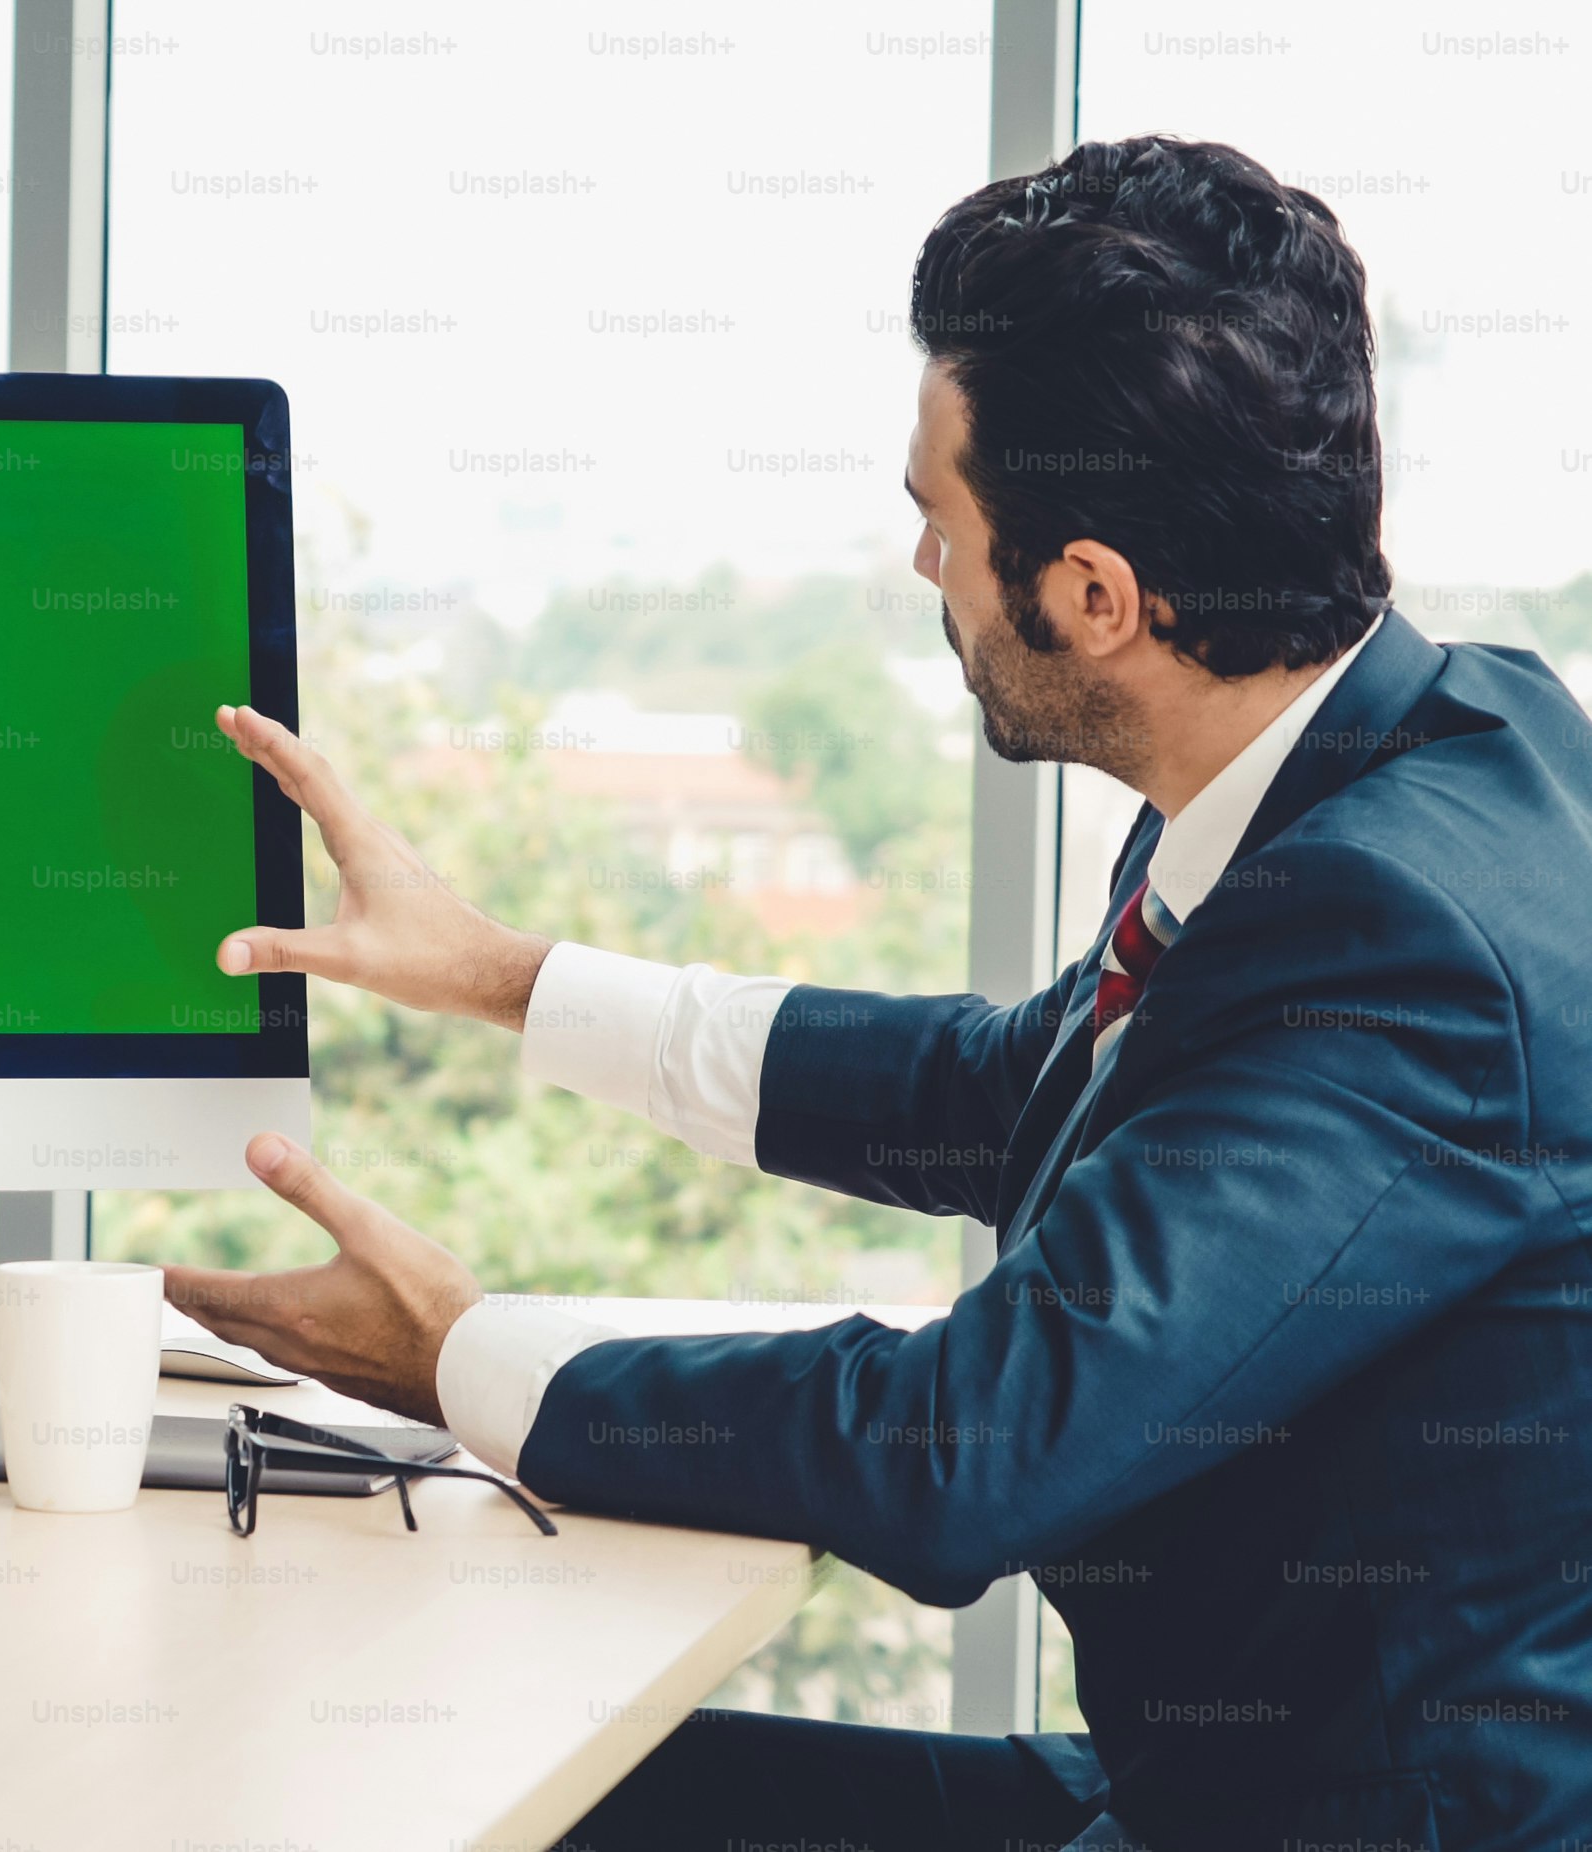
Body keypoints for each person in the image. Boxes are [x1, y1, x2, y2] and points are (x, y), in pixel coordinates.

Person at [165, 136, 1592, 1850]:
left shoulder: (1392, 933)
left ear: (1091, 597)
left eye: (938, 521)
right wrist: (500, 975)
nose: (921, 569)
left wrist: (462, 1352)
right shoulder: (1405, 746)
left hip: (1341, 1824)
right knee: (524, 1782)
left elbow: (966, 1445)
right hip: (1218, 1782)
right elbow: (1019, 1089)